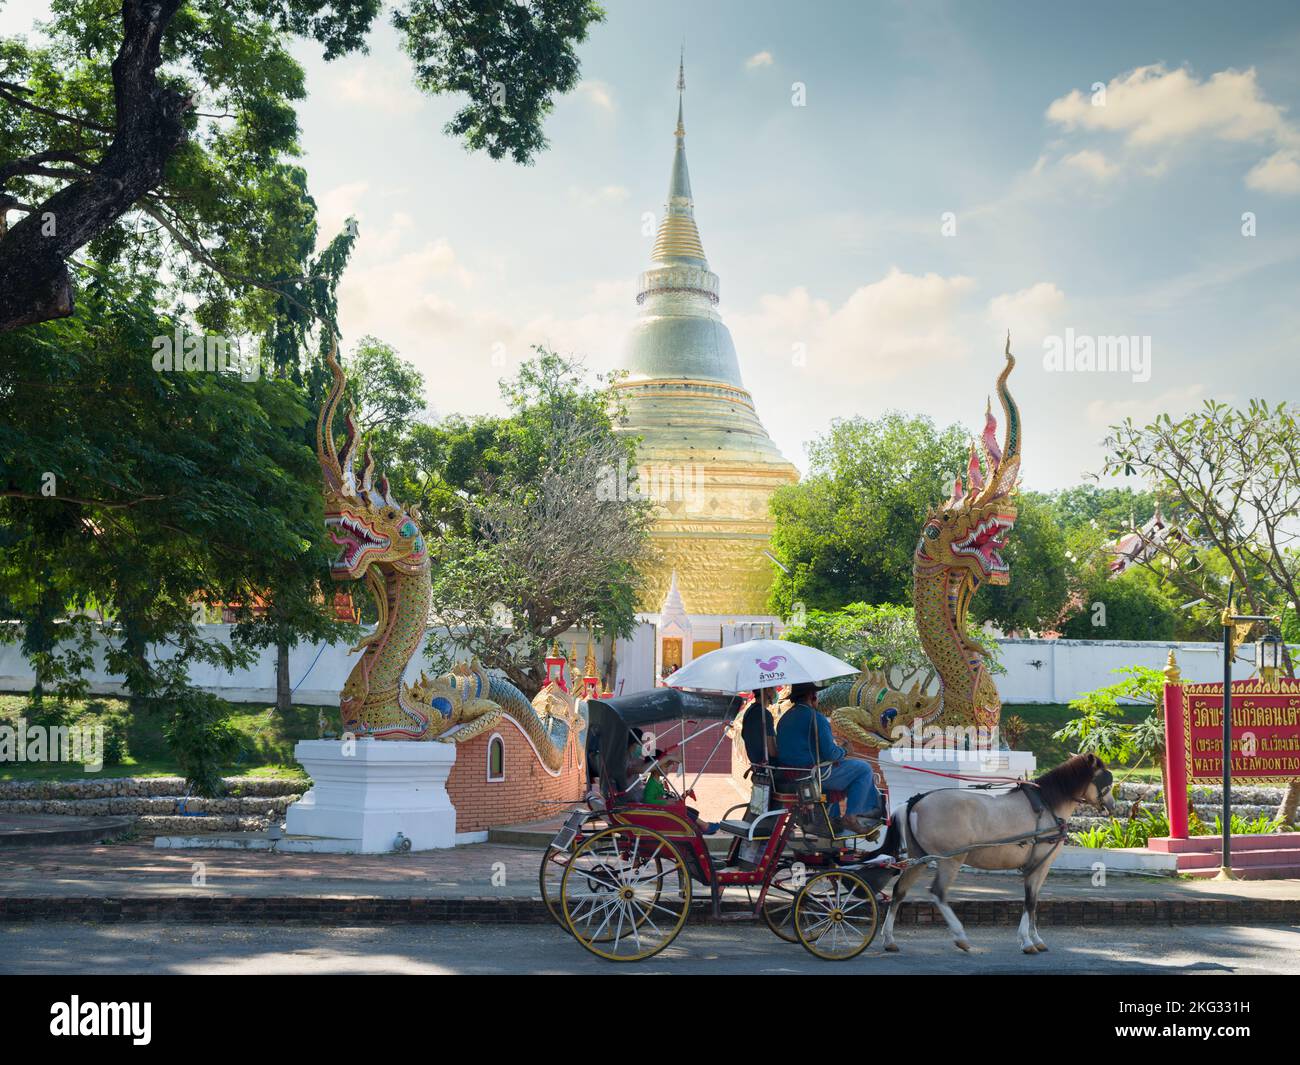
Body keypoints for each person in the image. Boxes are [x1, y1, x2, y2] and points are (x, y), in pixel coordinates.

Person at [776, 681, 884, 833]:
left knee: (853, 769)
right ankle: (851, 816)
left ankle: (835, 817)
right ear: (811, 696)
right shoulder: (816, 718)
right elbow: (832, 754)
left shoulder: (784, 718)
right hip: (812, 776)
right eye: (816, 695)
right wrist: (845, 750)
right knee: (864, 769)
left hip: (792, 773)